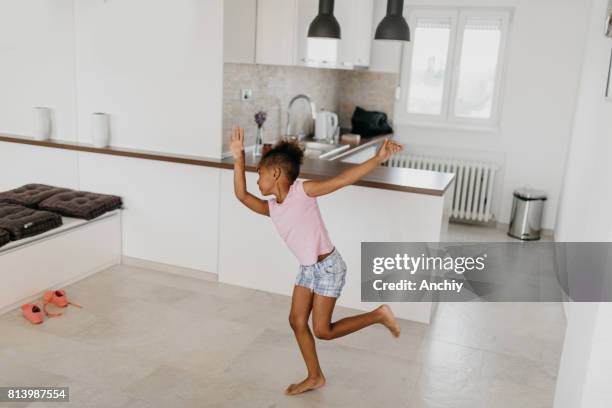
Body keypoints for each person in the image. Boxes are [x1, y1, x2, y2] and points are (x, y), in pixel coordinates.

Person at [229, 126, 404, 396]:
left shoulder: (303, 192)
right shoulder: (273, 208)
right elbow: (242, 196)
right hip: (308, 269)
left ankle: (379, 315)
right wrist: (238, 159)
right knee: (296, 321)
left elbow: (344, 179)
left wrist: (378, 158)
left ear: (275, 173)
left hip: (328, 268)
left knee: (323, 330)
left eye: (259, 173)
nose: (256, 180)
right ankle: (315, 376)